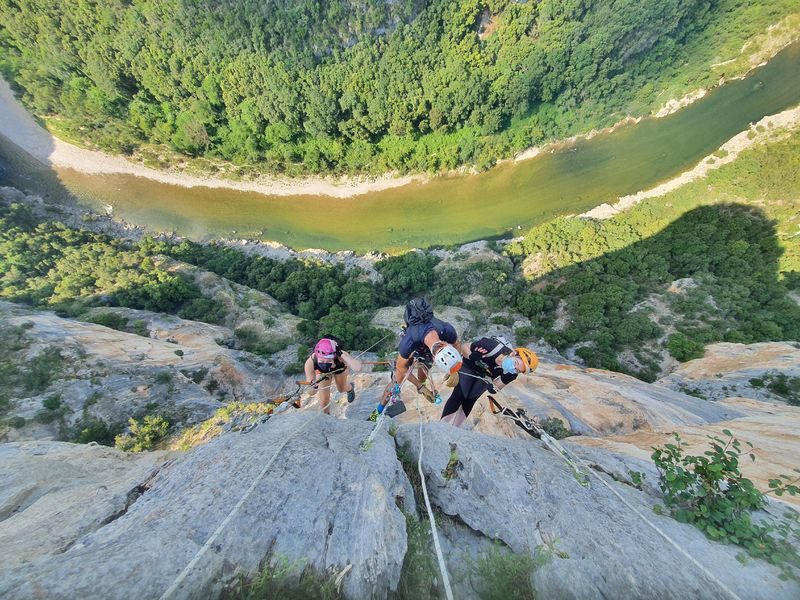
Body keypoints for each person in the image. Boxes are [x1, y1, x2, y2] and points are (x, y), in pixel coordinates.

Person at [369, 297, 462, 421]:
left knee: (423, 374)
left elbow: (456, 345)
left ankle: (422, 383)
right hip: (414, 350)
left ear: (445, 344)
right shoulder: (409, 342)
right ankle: (376, 413)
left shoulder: (446, 330)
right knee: (396, 382)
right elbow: (401, 367)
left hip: (425, 351)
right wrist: (421, 387)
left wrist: (454, 369)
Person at [440, 335, 538, 428]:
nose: (514, 368)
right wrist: (471, 356)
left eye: (518, 370)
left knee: (470, 399)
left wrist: (493, 387)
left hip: (486, 375)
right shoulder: (491, 346)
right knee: (460, 394)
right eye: (516, 363)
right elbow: (465, 346)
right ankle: (442, 426)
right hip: (469, 365)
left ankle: (455, 429)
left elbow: (495, 388)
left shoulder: (511, 374)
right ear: (513, 353)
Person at [304, 336, 362, 414]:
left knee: (341, 389)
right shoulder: (311, 362)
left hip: (339, 368)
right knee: (324, 400)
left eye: (329, 360)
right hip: (323, 373)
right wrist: (313, 384)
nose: (325, 363)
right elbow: (311, 392)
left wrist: (341, 354)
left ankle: (350, 388)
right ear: (317, 356)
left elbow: (357, 368)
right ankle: (327, 418)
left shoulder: (339, 356)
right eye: (322, 361)